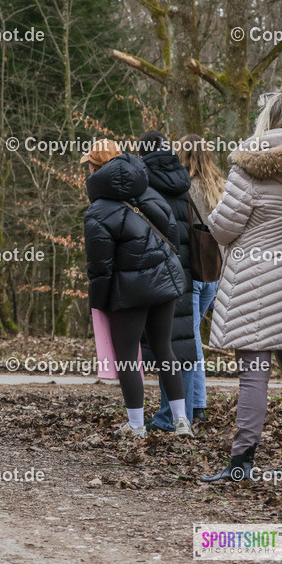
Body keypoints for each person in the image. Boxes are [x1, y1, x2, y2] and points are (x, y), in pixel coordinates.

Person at [202, 94, 282, 483]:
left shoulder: (248, 168)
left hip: (253, 278)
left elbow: (222, 228)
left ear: (265, 123)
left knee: (254, 371)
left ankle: (242, 461)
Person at [82, 138, 192, 440]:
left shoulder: (97, 212)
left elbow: (100, 266)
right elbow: (172, 234)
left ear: (95, 169)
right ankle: (182, 422)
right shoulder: (149, 192)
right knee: (164, 348)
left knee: (128, 354)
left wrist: (100, 302)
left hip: (130, 292)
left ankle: (136, 425)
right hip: (165, 282)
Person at [136, 131, 199, 433]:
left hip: (154, 270)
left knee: (161, 345)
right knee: (182, 346)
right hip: (183, 271)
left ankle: (165, 417)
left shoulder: (140, 181)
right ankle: (180, 414)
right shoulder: (182, 179)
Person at [178, 134, 226, 423]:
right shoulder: (221, 185)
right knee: (194, 334)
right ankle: (196, 403)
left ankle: (197, 404)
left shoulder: (183, 187)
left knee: (192, 338)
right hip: (215, 271)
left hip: (192, 270)